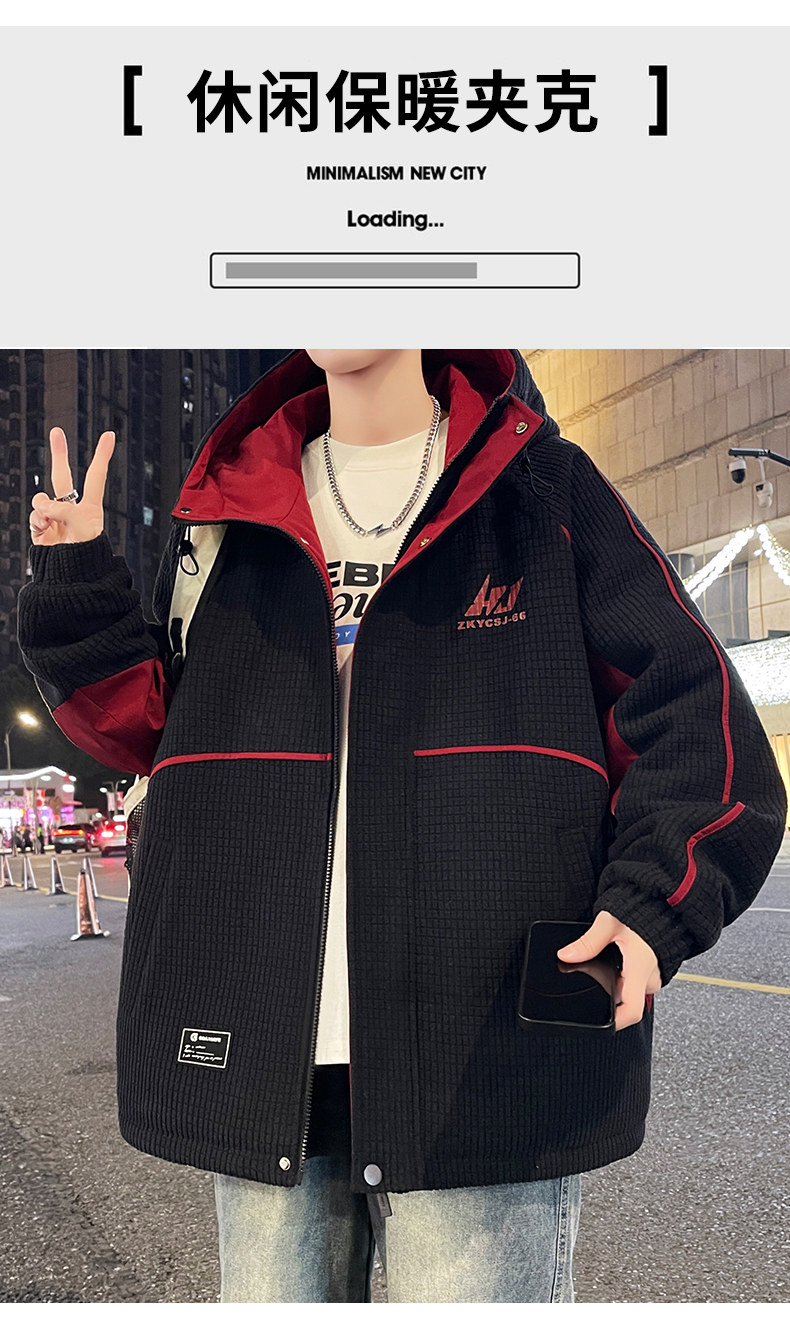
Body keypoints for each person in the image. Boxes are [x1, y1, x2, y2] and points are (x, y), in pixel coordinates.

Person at [16, 349, 787, 1304]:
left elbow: (696, 709)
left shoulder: (541, 486)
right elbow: (144, 731)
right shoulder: (227, 511)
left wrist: (655, 901)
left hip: (485, 1047)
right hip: (264, 1045)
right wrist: (77, 580)